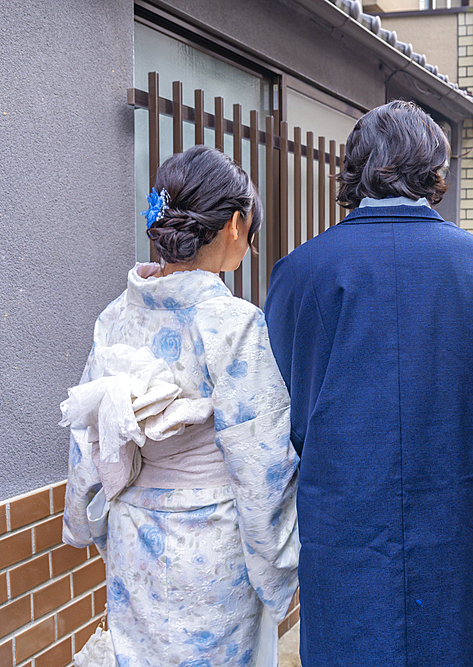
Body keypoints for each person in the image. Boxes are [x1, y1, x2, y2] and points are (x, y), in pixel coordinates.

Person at [264, 100, 473, 667]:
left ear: (356, 169)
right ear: (435, 172)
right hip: (455, 510)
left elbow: (274, 407)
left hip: (340, 515)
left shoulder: (301, 271)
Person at [61, 145, 299, 667]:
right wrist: (278, 568)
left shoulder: (114, 318)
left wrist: (85, 521)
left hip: (133, 537)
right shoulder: (233, 324)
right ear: (235, 224)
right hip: (212, 548)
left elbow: (88, 439)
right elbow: (260, 464)